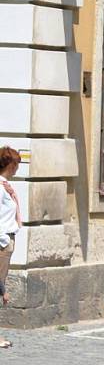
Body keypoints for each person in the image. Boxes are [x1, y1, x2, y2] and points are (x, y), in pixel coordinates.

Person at [0, 147, 21, 349]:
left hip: (7, 241)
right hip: (2, 243)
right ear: (10, 164)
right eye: (16, 164)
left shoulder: (6, 187)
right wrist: (3, 240)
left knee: (0, 287)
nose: (17, 168)